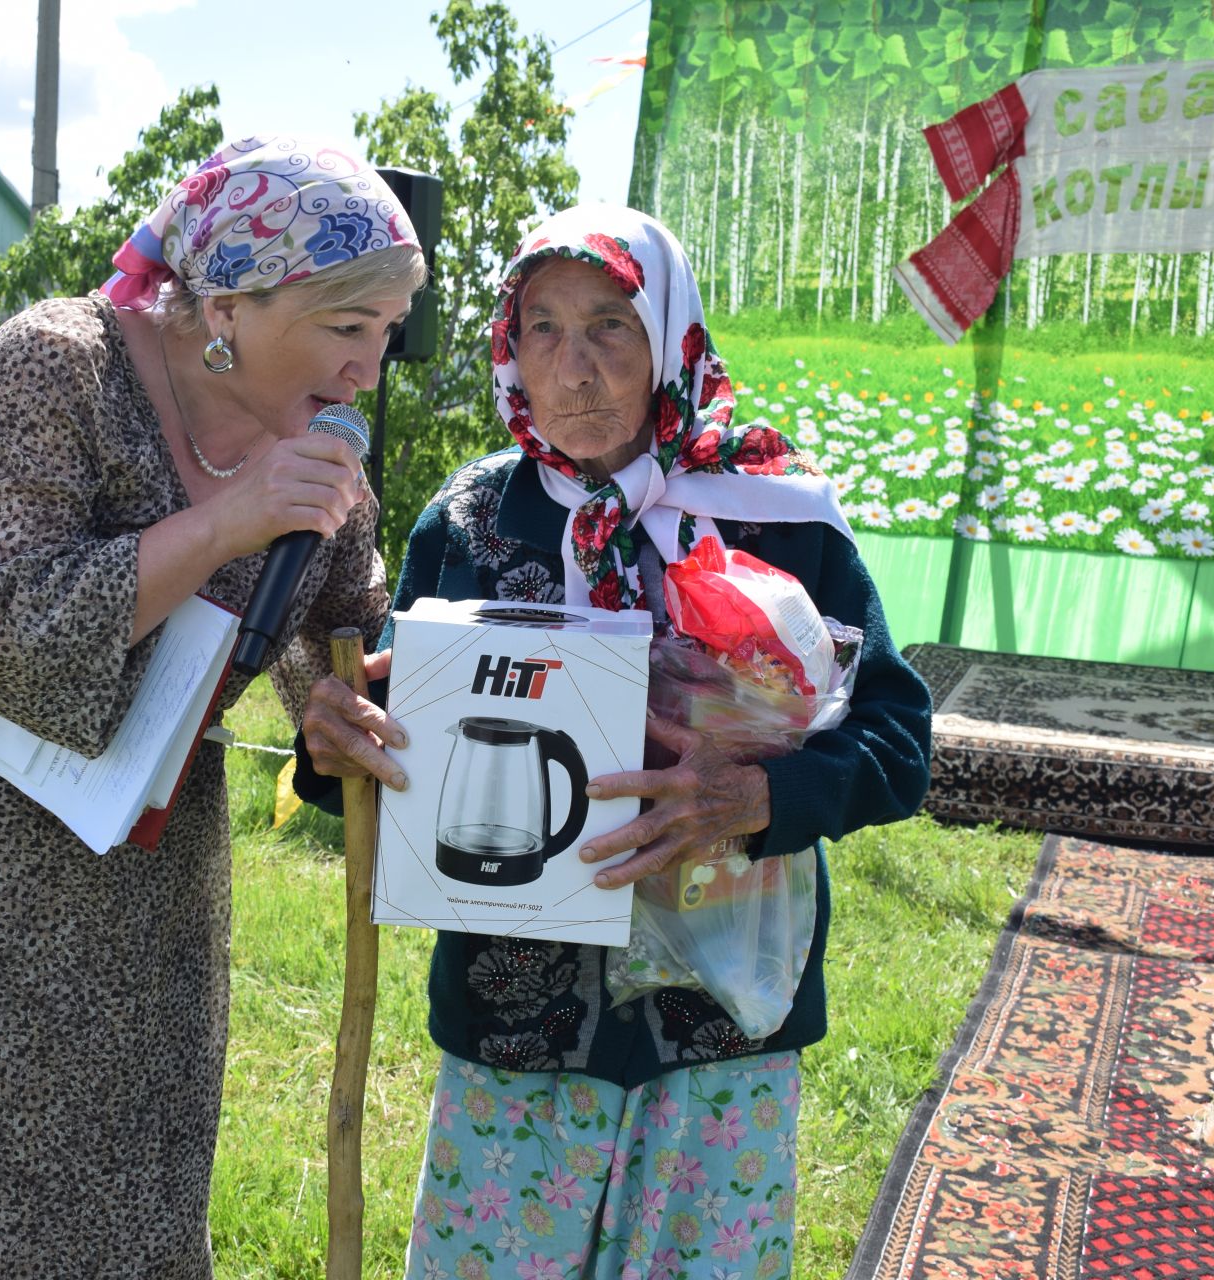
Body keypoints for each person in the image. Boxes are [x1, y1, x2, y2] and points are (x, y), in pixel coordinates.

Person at [0, 135, 424, 1278]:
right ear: (227, 303)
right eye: (345, 326)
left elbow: (334, 632)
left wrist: (334, 707)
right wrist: (226, 524)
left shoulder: (324, 449)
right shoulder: (59, 364)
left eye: (386, 331)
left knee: (123, 1197)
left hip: (140, 888)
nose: (367, 371)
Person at [296, 205, 933, 1280]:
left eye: (610, 328)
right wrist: (335, 746)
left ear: (671, 338)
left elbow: (899, 740)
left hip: (721, 1026)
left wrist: (763, 798)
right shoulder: (466, 526)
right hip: (516, 1028)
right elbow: (394, 758)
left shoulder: (773, 518)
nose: (575, 369)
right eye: (541, 328)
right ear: (508, 348)